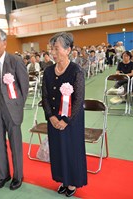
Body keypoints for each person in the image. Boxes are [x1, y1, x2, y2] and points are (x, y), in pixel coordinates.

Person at [42, 32, 87, 197]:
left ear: (68, 50)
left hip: (71, 120)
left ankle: (73, 181)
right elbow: (44, 97)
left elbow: (78, 100)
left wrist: (66, 120)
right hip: (53, 120)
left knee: (71, 150)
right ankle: (63, 179)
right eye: (51, 49)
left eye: (56, 48)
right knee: (58, 150)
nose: (53, 52)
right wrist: (51, 116)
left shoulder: (76, 71)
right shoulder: (47, 71)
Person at [0, 28, 29, 191]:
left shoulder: (15, 61)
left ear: (4, 42)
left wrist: (18, 106)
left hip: (12, 108)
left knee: (16, 144)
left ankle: (18, 176)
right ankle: (3, 175)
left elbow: (24, 87)